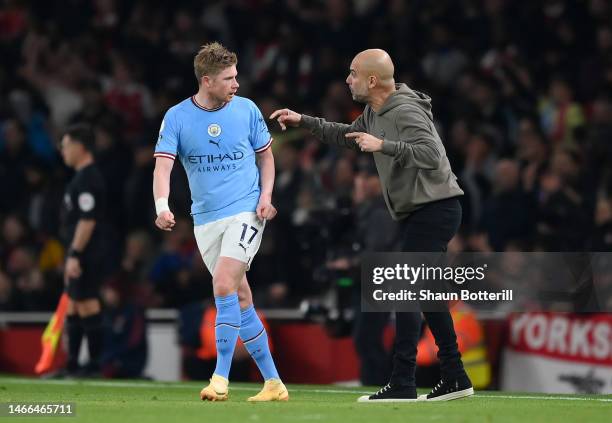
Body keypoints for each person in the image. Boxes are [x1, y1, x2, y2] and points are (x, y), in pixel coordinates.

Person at [270, 49, 474, 402]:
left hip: (435, 209)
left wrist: (384, 145)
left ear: (372, 80)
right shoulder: (374, 111)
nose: (347, 80)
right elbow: (346, 135)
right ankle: (455, 376)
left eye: (352, 74)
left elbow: (432, 155)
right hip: (423, 211)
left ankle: (403, 383)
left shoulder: (406, 110)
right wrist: (304, 120)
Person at [153, 42, 288, 402]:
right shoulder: (177, 117)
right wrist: (162, 206)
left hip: (246, 211)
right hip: (206, 220)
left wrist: (265, 197)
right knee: (241, 297)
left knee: (224, 283)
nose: (237, 83)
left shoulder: (246, 110)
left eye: (237, 76)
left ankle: (220, 377)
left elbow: (267, 159)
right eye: (229, 78)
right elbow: (163, 166)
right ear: (207, 80)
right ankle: (274, 383)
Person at [59, 123, 108, 376]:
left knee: (86, 303)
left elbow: (88, 219)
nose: (62, 151)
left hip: (88, 252)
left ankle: (94, 365)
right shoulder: (81, 177)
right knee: (74, 306)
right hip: (80, 251)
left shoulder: (89, 178)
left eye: (66, 146)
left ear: (80, 147)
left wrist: (75, 254)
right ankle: (74, 365)